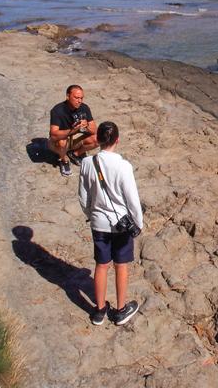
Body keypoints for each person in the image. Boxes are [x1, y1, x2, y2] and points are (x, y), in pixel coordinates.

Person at [78, 121, 143, 326]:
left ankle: (99, 311)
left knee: (101, 265)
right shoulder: (123, 166)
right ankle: (121, 309)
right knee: (121, 265)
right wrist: (138, 222)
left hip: (98, 222)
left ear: (97, 140)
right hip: (121, 224)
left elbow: (83, 196)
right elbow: (132, 198)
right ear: (117, 140)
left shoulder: (87, 164)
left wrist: (91, 213)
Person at [48, 84, 98, 176]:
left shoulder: (84, 108)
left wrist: (86, 125)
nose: (79, 101)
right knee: (61, 142)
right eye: (76, 98)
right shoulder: (57, 110)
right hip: (60, 141)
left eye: (81, 98)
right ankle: (64, 160)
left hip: (74, 139)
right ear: (68, 96)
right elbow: (53, 134)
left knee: (98, 138)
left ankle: (75, 154)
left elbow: (94, 130)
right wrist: (72, 131)